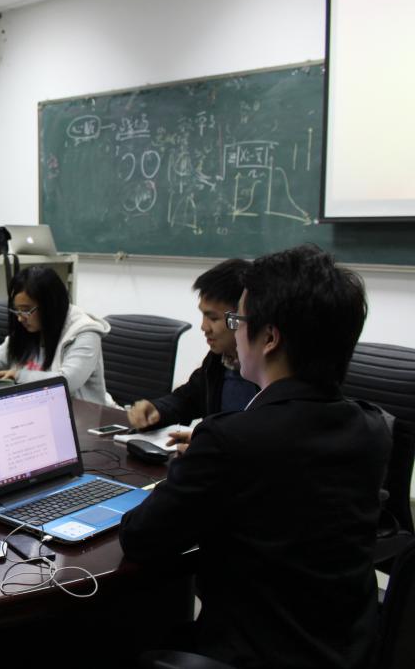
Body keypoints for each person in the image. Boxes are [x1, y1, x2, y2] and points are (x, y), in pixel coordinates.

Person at [119, 244, 391, 669]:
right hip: (346, 651)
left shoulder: (230, 440)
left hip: (250, 652)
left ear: (269, 338)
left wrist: (192, 468)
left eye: (236, 321)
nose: (231, 331)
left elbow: (140, 538)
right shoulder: (373, 428)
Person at [127, 258, 257, 451]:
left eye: (213, 318)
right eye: (203, 315)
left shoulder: (270, 373)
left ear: (242, 317)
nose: (204, 327)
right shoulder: (219, 360)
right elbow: (187, 398)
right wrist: (157, 409)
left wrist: (212, 450)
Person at [0, 266, 110, 405]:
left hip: (81, 415)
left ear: (49, 305)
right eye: (16, 310)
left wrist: (18, 376)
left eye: (25, 310)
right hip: (34, 408)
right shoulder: (29, 326)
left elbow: (67, 381)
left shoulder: (84, 333)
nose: (20, 318)